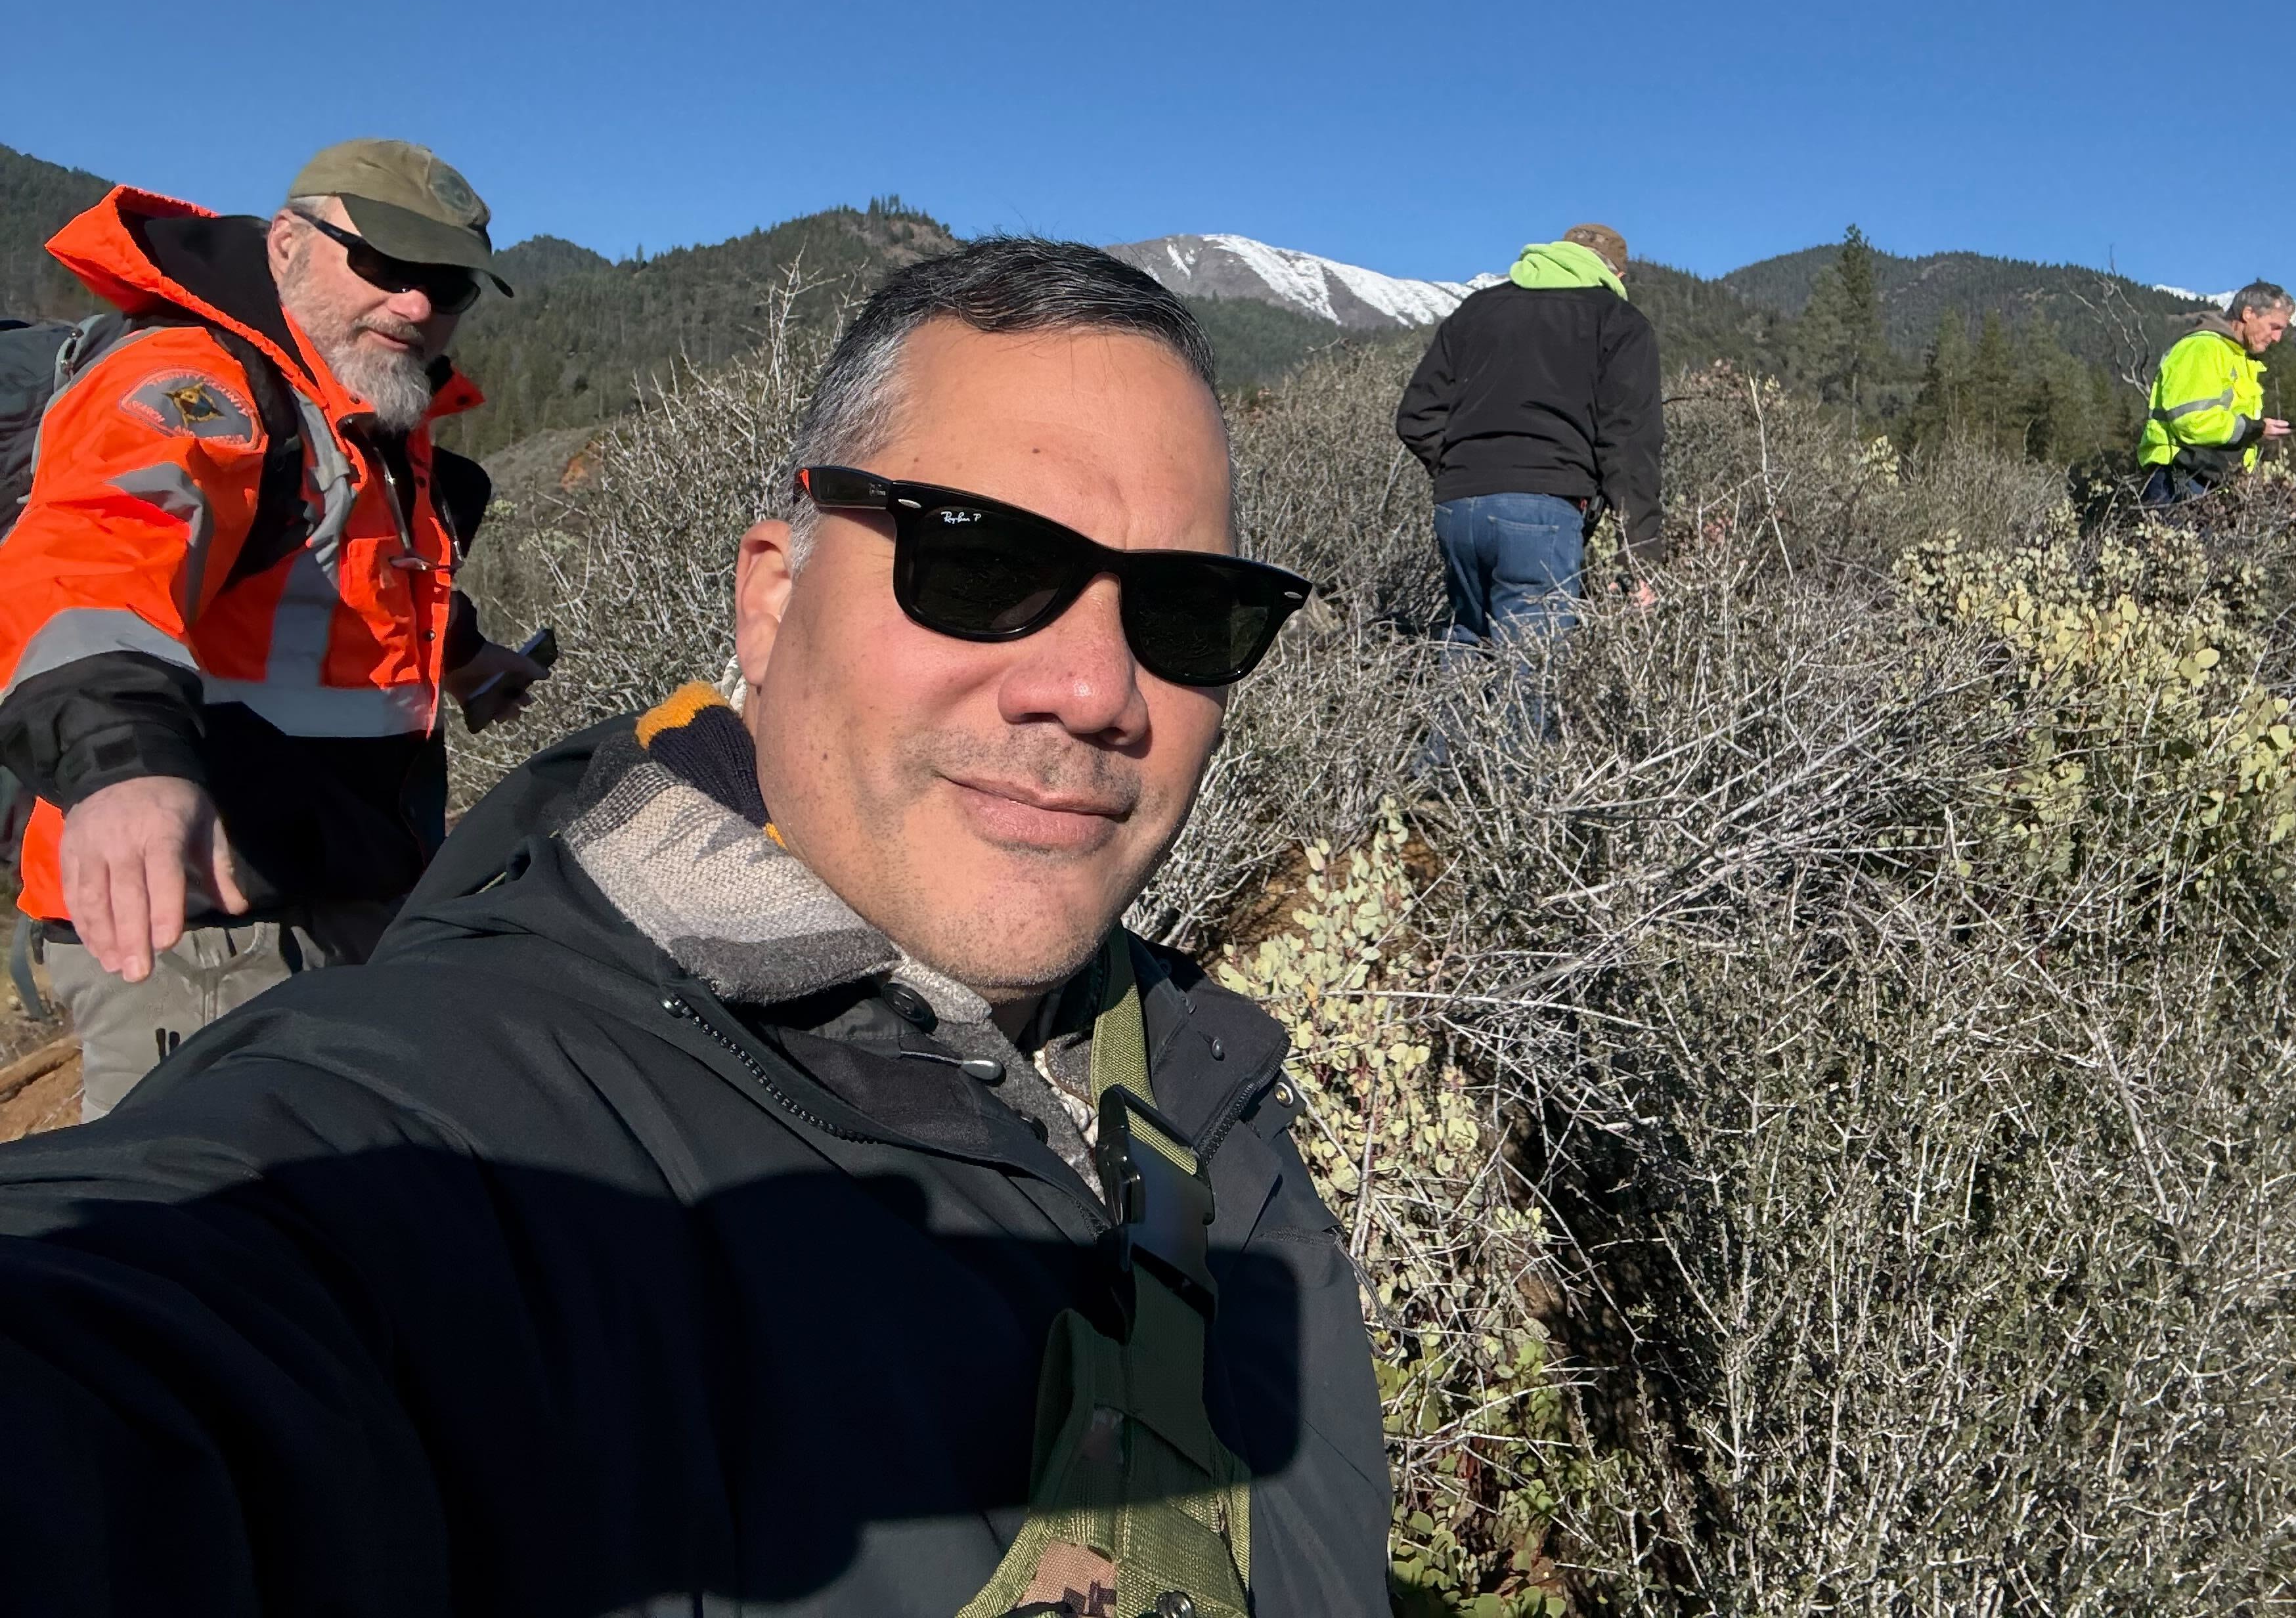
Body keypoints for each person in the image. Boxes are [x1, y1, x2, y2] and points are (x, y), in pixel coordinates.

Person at [0, 239, 1390, 1617]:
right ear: (772, 600)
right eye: (979, 564)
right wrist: (118, 756)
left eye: (1188, 609)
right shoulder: (461, 1136)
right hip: (195, 907)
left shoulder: (1214, 1090)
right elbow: (162, 1347)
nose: (1098, 690)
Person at [0, 140, 546, 1116]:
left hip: (338, 900)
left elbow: (354, 592)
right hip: (205, 938)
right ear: (288, 244)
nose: (416, 305)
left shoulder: (362, 418)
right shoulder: (195, 387)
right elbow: (93, 557)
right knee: (192, 1232)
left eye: (448, 283)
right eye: (382, 265)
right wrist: (125, 764)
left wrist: (462, 660)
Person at [1395, 222, 1661, 648]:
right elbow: (1630, 446)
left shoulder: (1477, 310)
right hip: (1544, 510)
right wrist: (1642, 556)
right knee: (1530, 669)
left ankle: (1453, 717)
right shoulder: (1617, 320)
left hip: (1458, 509)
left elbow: (1416, 416)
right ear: (1618, 275)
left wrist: (1463, 469)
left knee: (1467, 642)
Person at [2136, 279, 2296, 506]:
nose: (2278, 338)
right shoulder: (2203, 348)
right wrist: (2255, 429)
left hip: (2213, 482)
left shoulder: (2238, 358)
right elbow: (2192, 421)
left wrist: (2256, 434)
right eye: (2274, 327)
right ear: (2248, 313)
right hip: (2180, 478)